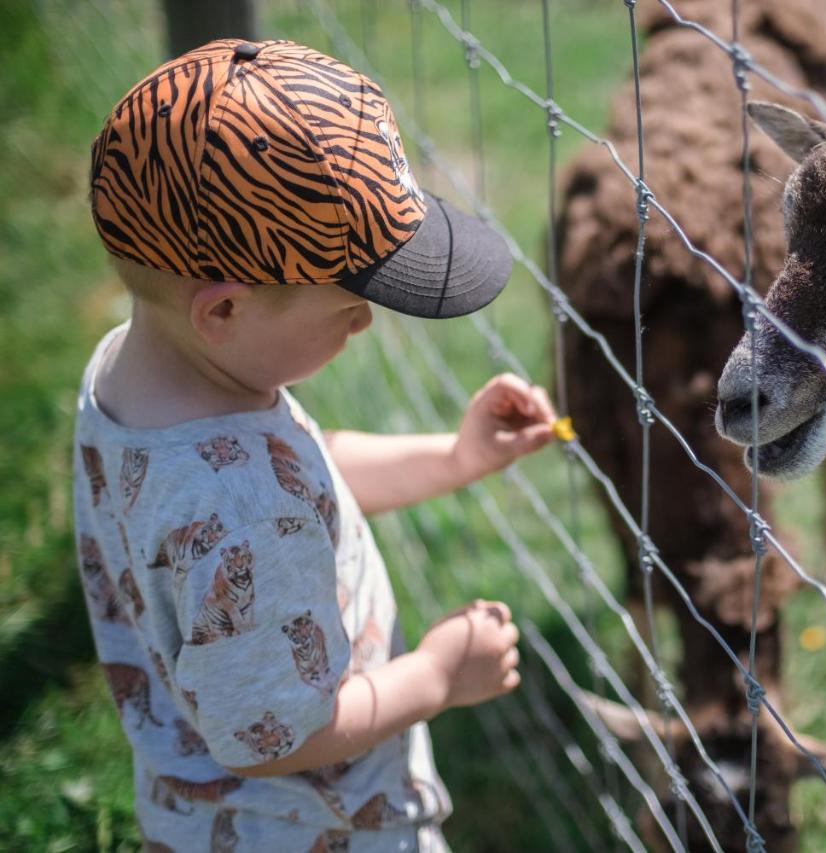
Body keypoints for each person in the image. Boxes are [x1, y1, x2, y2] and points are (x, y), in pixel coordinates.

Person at [75, 38, 556, 850]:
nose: (366, 320)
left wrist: (456, 457)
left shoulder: (132, 375)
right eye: (348, 303)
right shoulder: (245, 515)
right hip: (312, 827)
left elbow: (302, 468)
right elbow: (277, 735)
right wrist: (437, 675)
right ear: (222, 312)